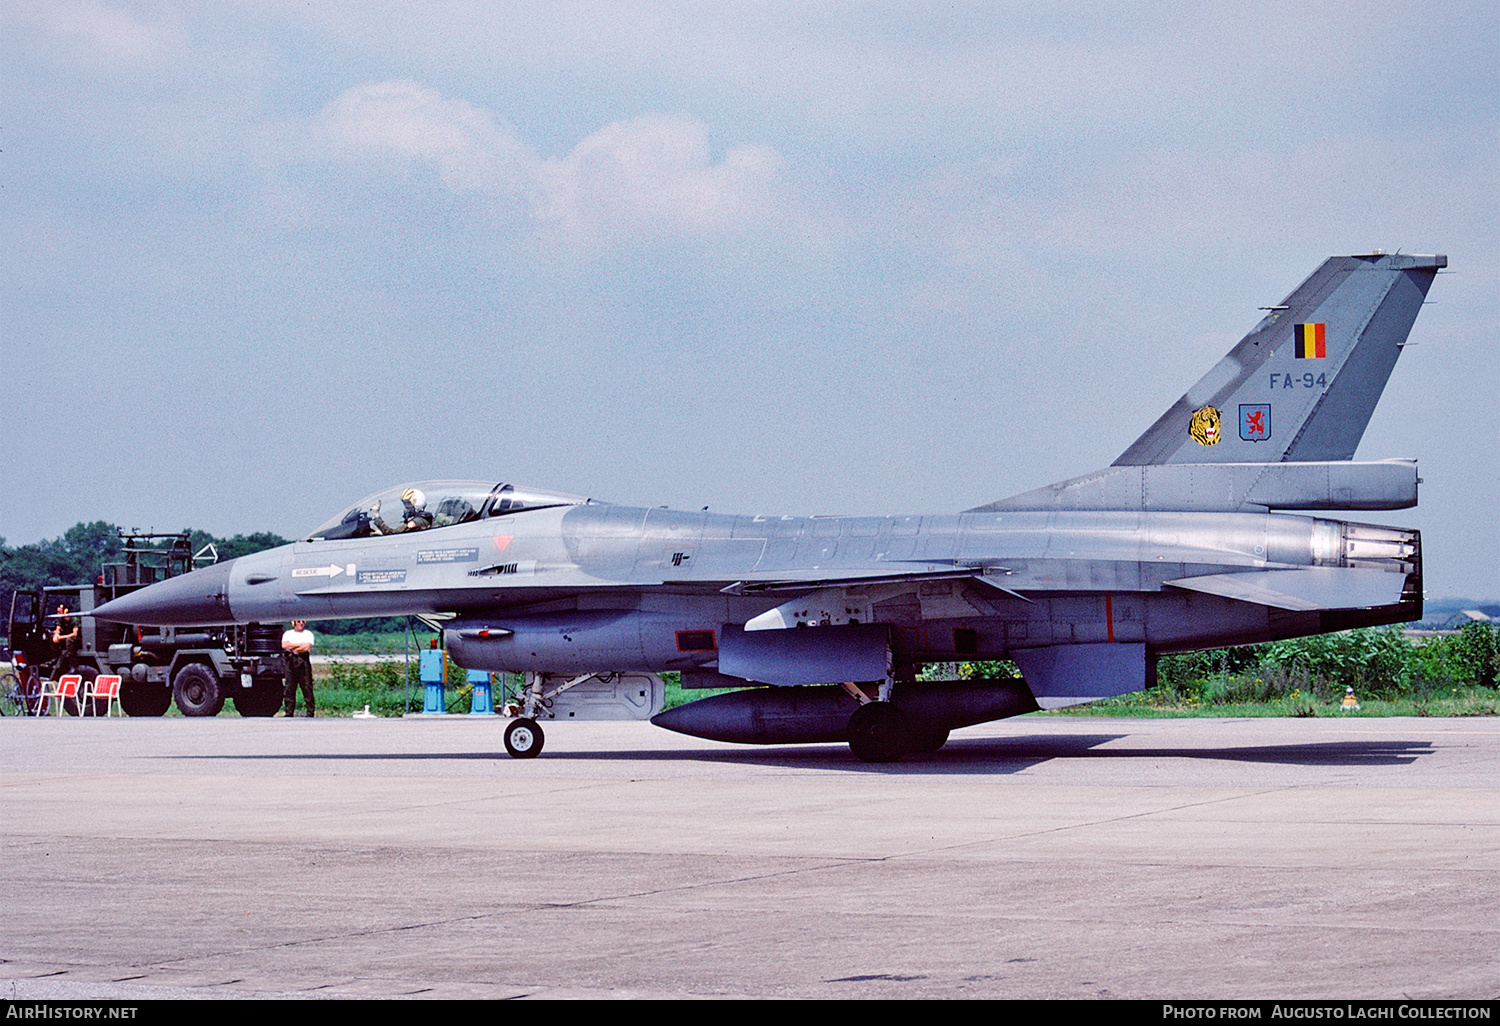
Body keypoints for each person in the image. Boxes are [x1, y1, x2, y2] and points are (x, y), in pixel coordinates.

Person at [281, 619, 316, 717]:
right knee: (289, 687)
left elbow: (305, 648)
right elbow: (284, 645)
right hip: (290, 660)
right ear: (294, 623)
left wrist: (292, 646)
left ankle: (310, 712)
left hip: (302, 660)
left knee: (307, 686)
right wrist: (299, 644)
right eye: (298, 621)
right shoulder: (288, 634)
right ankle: (289, 712)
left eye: (303, 622)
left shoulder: (308, 634)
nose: (301, 623)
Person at [51, 603, 80, 676]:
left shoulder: (74, 619)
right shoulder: (61, 619)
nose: (58, 614)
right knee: (51, 637)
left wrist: (61, 637)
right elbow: (58, 629)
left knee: (69, 640)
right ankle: (55, 657)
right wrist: (56, 635)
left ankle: (73, 664)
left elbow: (74, 634)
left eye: (59, 612)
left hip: (75, 639)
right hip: (64, 637)